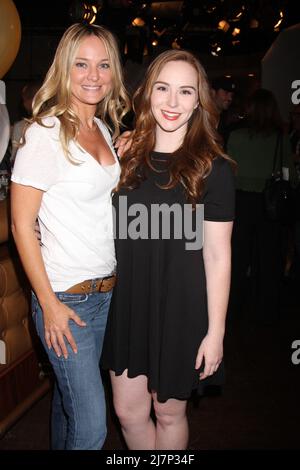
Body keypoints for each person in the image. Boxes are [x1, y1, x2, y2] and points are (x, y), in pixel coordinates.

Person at [101, 50, 235, 450]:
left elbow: (217, 256)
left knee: (169, 412)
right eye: (163, 88)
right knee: (128, 412)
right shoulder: (122, 155)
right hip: (129, 304)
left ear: (199, 100)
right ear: (148, 94)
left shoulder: (215, 169)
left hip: (181, 310)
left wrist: (216, 333)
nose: (172, 102)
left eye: (185, 91)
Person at [10, 22, 130, 450]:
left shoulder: (102, 130)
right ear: (64, 68)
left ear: (114, 72)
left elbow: (94, 198)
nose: (92, 75)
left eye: (103, 65)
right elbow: (21, 225)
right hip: (66, 298)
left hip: (105, 294)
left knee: (68, 404)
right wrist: (49, 304)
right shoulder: (44, 133)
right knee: (93, 426)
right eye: (81, 64)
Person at [227, 89, 296, 325]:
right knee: (269, 260)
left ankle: (232, 309)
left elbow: (229, 174)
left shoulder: (236, 136)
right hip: (270, 204)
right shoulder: (280, 138)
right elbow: (291, 176)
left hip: (240, 202)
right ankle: (267, 312)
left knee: (237, 258)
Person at [10, 80, 42, 166]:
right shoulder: (62, 123)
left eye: (24, 99)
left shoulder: (21, 126)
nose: (23, 104)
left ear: (30, 101)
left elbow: (14, 160)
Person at [211, 76, 236, 147]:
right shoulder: (201, 118)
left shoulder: (223, 119)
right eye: (226, 93)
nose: (230, 98)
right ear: (212, 92)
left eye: (232, 95)